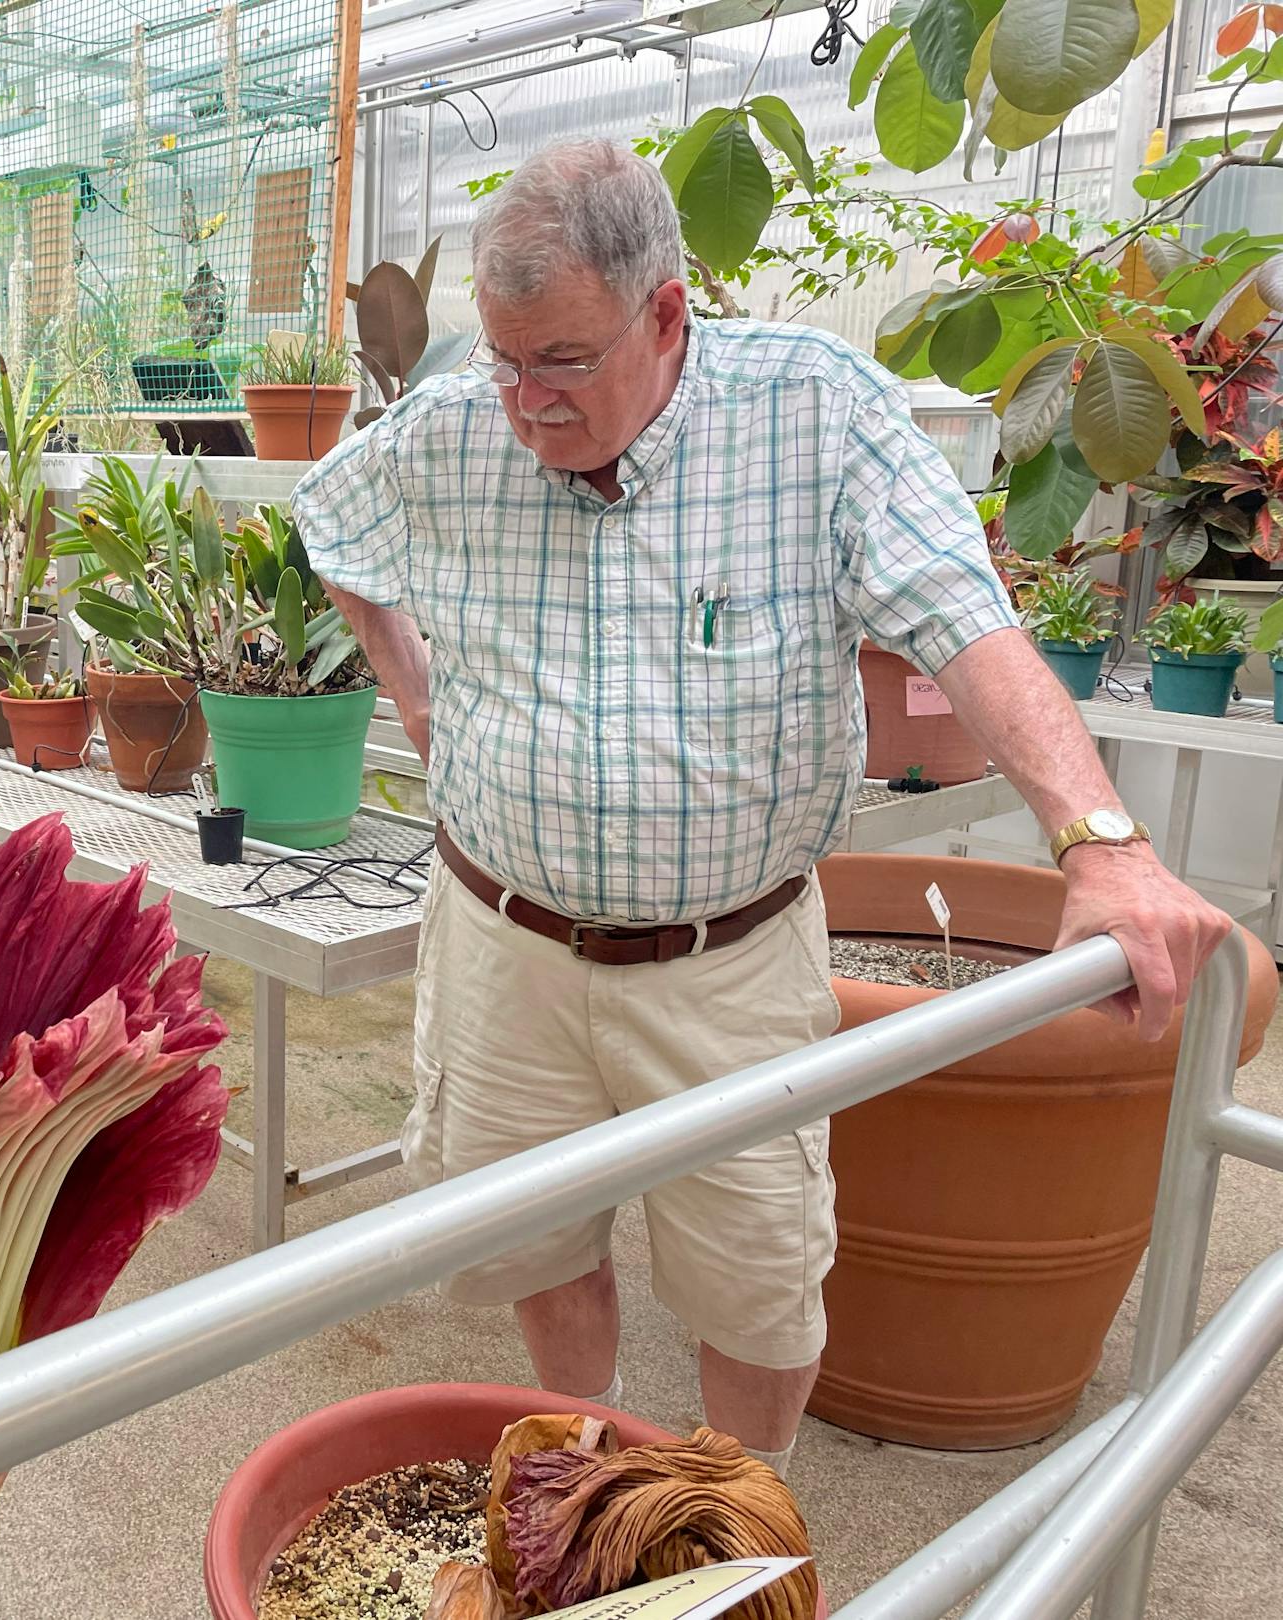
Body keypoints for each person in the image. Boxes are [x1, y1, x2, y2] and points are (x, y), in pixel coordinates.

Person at [287, 138, 1235, 1477]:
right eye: (504, 362)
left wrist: (1100, 839)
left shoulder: (813, 416)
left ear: (666, 312)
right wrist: (421, 696)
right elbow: (336, 525)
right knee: (533, 1241)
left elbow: (965, 625)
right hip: (501, 942)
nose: (524, 404)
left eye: (560, 362)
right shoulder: (451, 428)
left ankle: (728, 1523)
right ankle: (590, 1462)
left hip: (726, 963)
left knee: (761, 1283)